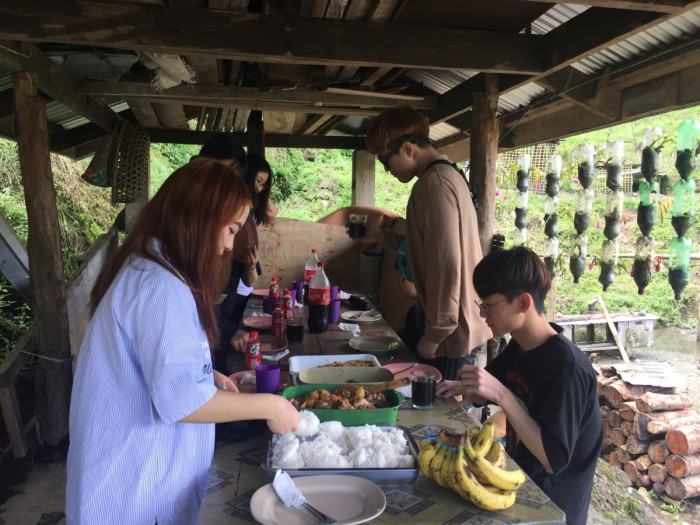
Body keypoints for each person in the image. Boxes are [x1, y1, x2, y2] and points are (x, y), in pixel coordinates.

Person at [65, 158, 300, 523]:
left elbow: (162, 368)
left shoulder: (155, 268)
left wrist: (207, 376)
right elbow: (183, 403)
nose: (228, 246)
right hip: (132, 490)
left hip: (141, 478)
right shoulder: (161, 285)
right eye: (231, 229)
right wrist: (272, 406)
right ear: (200, 219)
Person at [436, 246, 603, 525]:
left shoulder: (567, 369)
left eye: (488, 306)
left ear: (523, 304)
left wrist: (501, 395)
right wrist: (459, 388)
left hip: (550, 508)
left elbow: (553, 460)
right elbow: (483, 390)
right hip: (515, 482)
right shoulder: (520, 346)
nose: (482, 314)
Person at [363, 103, 491, 379]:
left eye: (385, 160)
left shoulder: (434, 185)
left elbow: (447, 264)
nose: (386, 169)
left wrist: (436, 332)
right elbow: (422, 249)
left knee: (437, 415)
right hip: (456, 325)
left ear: (408, 148)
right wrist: (380, 237)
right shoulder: (446, 175)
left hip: (451, 333)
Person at [195, 134, 259, 361]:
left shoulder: (235, 223)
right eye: (221, 175)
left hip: (218, 331)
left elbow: (245, 282)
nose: (229, 245)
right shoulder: (187, 234)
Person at [231, 153, 280, 328]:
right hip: (232, 270)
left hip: (246, 268)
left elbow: (273, 211)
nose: (260, 187)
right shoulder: (234, 203)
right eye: (258, 181)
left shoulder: (253, 205)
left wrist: (261, 189)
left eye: (264, 184)